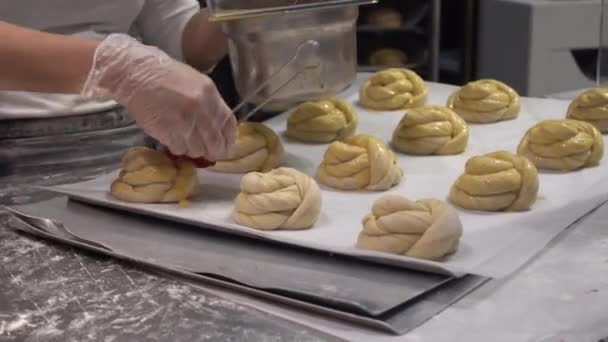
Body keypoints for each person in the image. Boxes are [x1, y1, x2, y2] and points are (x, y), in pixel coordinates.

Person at [0, 1, 237, 160]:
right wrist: (119, 69)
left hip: (135, 142)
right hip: (10, 148)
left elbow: (176, 41)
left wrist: (241, 9)